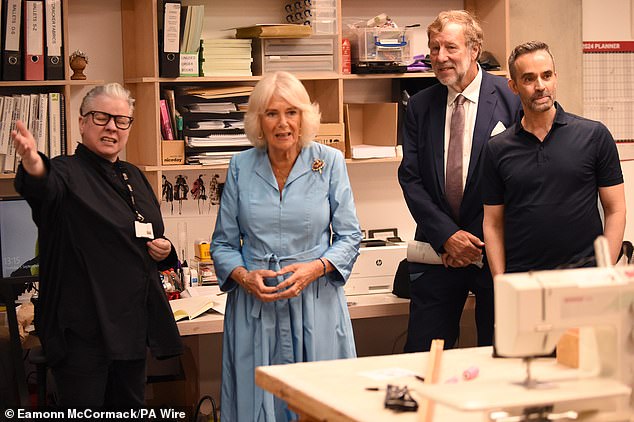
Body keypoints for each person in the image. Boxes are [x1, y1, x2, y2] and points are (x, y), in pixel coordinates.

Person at [12, 83, 183, 408]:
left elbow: (145, 234)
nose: (112, 127)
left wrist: (165, 250)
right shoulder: (65, 172)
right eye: (102, 117)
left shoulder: (134, 174)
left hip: (131, 327)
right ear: (82, 122)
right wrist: (33, 161)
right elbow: (42, 187)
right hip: (83, 333)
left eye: (122, 120)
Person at [211, 71, 362, 421]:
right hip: (255, 307)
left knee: (321, 404)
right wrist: (244, 276)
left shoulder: (329, 162)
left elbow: (350, 235)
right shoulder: (240, 166)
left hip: (316, 302)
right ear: (258, 121)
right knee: (256, 405)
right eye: (272, 113)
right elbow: (222, 243)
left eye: (291, 112)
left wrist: (316, 268)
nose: (283, 123)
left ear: (304, 117)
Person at [398, 10, 521, 352]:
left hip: (497, 250)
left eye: (450, 47)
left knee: (501, 353)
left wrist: (476, 242)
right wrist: (448, 236)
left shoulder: (512, 99)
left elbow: (525, 178)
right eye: (434, 48)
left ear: (474, 49)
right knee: (423, 356)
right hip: (439, 251)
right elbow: (411, 178)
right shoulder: (420, 106)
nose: (440, 57)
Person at [482, 41, 626, 275]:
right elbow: (493, 224)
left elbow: (616, 208)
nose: (540, 86)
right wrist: (501, 283)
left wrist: (604, 273)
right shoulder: (497, 149)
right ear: (514, 86)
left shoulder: (594, 135)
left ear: (555, 78)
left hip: (584, 277)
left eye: (546, 75)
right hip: (523, 280)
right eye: (529, 79)